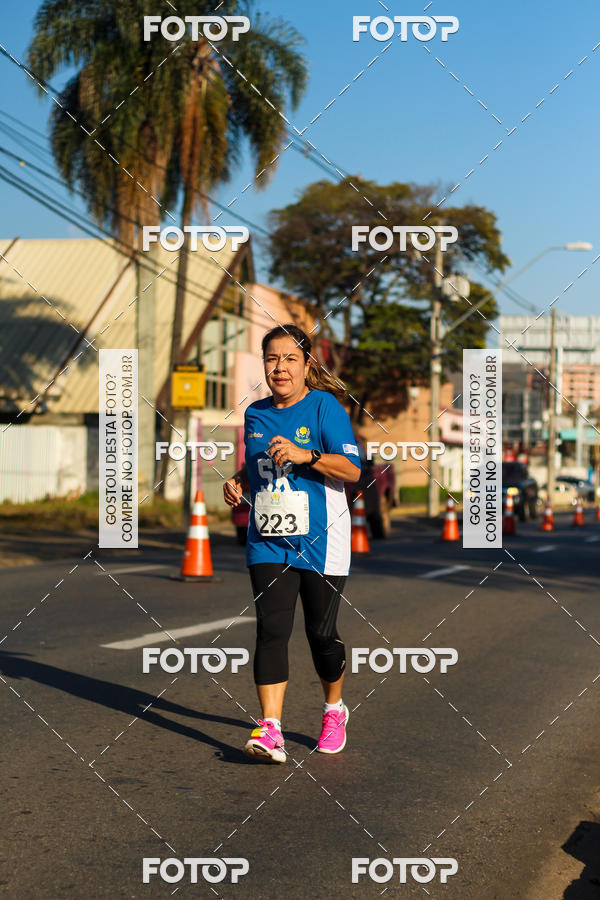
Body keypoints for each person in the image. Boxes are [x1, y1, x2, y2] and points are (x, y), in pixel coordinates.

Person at [223, 324, 361, 763]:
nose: (279, 368)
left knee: (321, 633)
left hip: (323, 538)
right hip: (269, 538)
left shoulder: (324, 407)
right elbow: (257, 466)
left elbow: (352, 470)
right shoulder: (255, 414)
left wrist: (308, 456)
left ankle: (334, 709)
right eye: (271, 358)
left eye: (289, 359)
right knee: (271, 629)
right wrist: (239, 481)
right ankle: (270, 729)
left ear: (306, 365)